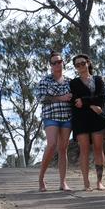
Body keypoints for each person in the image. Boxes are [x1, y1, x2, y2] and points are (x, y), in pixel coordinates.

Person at [69, 54, 105, 191]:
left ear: (88, 63)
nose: (80, 66)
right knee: (84, 150)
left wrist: (84, 101)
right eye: (77, 65)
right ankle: (86, 183)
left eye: (82, 63)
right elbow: (75, 102)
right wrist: (91, 104)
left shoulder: (98, 80)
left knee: (98, 148)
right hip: (81, 120)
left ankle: (99, 181)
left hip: (97, 119)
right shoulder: (73, 83)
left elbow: (102, 97)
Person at [35, 51, 72, 192]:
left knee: (63, 148)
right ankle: (41, 178)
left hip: (67, 117)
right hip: (50, 116)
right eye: (54, 62)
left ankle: (63, 182)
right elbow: (40, 98)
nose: (57, 64)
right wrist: (60, 98)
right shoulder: (45, 81)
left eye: (59, 61)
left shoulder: (69, 81)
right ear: (50, 65)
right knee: (51, 145)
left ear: (63, 63)